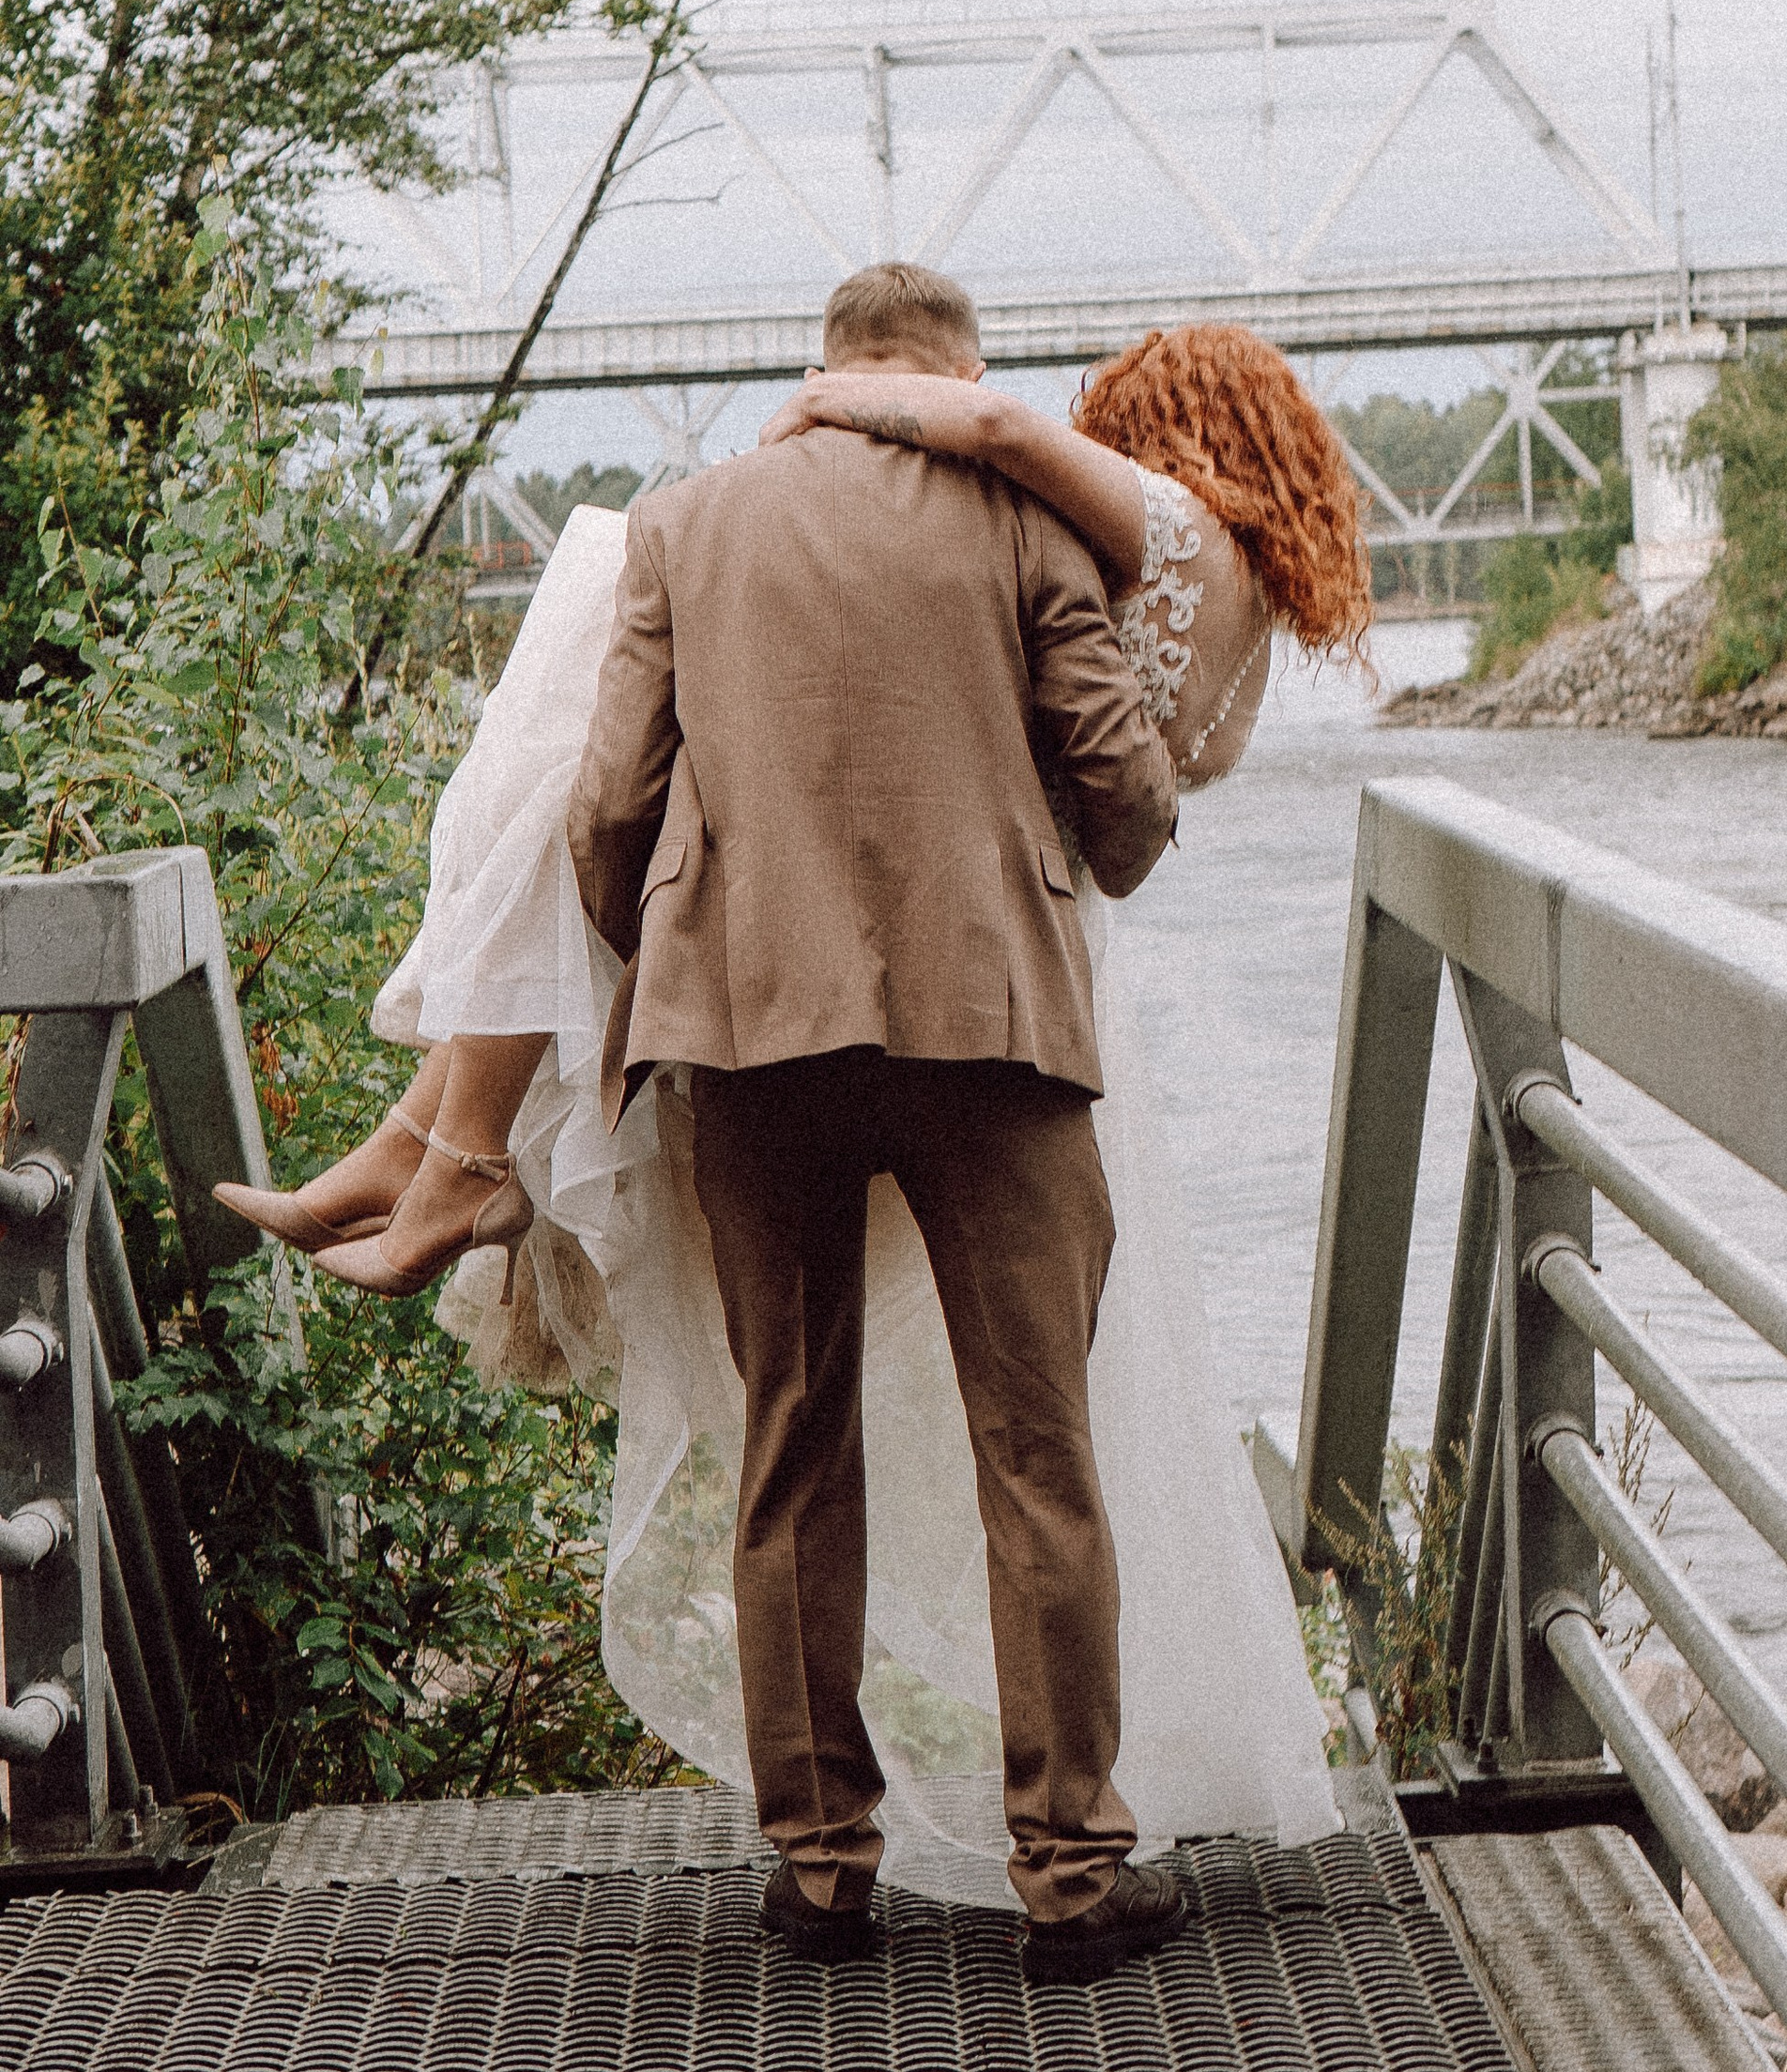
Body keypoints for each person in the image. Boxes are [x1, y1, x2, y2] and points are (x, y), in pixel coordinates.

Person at [216, 275, 1367, 1941]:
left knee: (790, 1448)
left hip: (751, 1044)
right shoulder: (1032, 534)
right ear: (960, 376)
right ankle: (1070, 1874)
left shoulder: (685, 528)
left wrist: (666, 961)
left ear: (830, 373)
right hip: (996, 1044)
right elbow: (1118, 802)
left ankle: (822, 1873)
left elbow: (605, 810)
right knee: (1037, 1460)